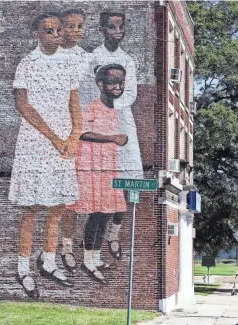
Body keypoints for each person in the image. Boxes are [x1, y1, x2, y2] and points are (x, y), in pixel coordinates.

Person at [10, 12, 81, 297]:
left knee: (57, 207)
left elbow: (74, 102)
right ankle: (23, 266)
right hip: (35, 142)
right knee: (32, 209)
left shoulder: (69, 63)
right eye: (48, 31)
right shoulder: (27, 64)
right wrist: (53, 137)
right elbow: (23, 106)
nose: (54, 35)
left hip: (63, 144)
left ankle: (49, 260)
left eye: (58, 30)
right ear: (38, 34)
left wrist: (74, 136)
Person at [66, 63, 129, 284]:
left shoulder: (114, 109)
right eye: (112, 81)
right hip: (91, 169)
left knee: (105, 215)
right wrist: (112, 138)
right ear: (100, 84)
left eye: (121, 82)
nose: (118, 86)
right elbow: (82, 132)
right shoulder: (94, 107)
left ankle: (96, 256)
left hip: (108, 169)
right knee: (96, 216)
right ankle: (87, 259)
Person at [90, 11, 143, 260]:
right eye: (112, 27)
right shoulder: (93, 57)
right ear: (103, 29)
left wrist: (113, 105)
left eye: (121, 27)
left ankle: (114, 233)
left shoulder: (128, 60)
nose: (118, 31)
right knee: (102, 182)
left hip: (122, 122)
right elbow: (88, 91)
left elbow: (129, 93)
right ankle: (93, 246)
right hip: (99, 121)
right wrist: (100, 109)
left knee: (126, 183)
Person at [57, 7, 91, 274]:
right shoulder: (49, 56)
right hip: (52, 131)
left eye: (80, 26)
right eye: (71, 26)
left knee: (75, 199)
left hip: (78, 133)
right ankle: (57, 249)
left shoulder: (86, 59)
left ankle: (72, 248)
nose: (76, 31)